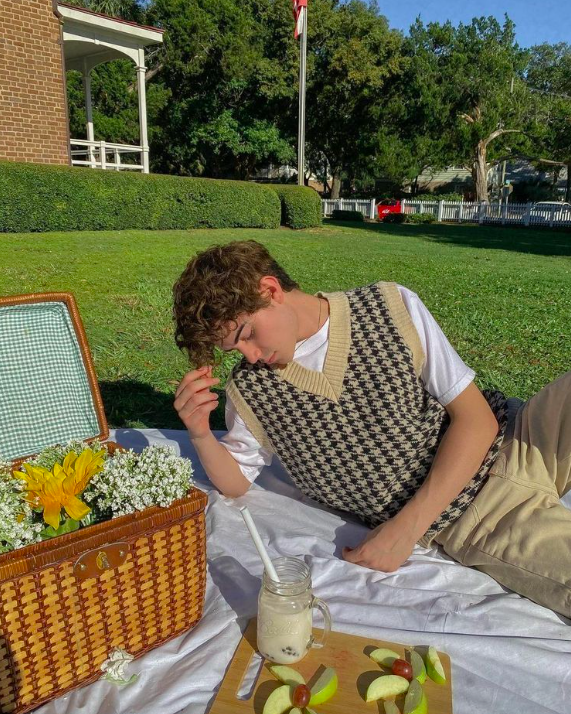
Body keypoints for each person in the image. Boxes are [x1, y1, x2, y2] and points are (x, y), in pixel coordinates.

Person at [172, 240, 571, 619]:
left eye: (247, 335)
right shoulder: (251, 391)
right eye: (235, 351)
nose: (252, 356)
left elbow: (477, 419)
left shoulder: (389, 305)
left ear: (271, 290)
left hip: (523, 435)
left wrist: (406, 529)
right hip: (479, 518)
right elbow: (238, 481)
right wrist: (200, 433)